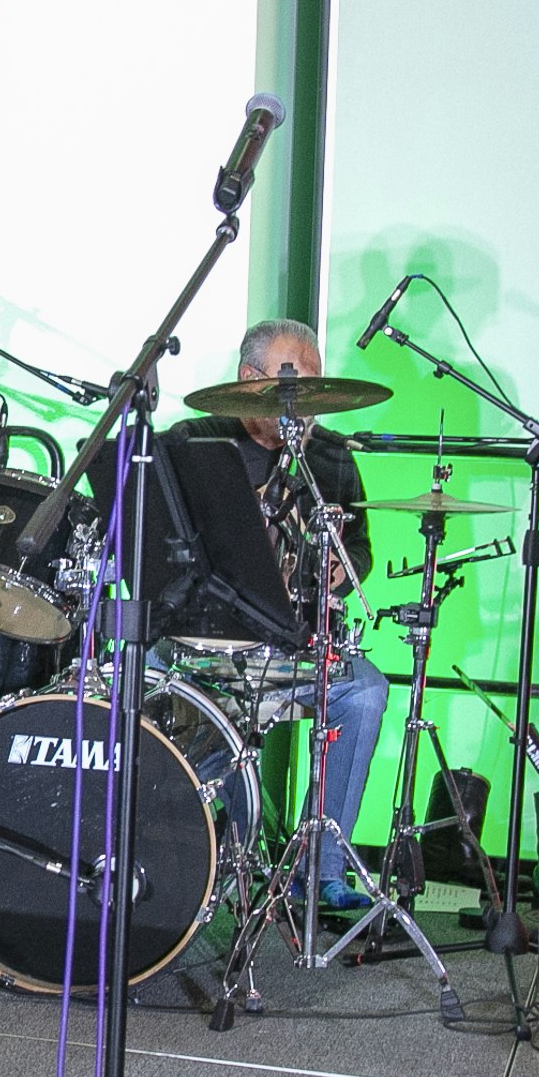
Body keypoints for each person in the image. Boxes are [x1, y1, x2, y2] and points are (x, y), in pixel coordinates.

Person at [171, 318, 389, 912]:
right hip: (205, 646)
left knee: (365, 690)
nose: (308, 407)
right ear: (249, 379)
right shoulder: (195, 441)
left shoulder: (331, 457)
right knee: (208, 729)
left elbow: (361, 545)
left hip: (292, 644)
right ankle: (211, 851)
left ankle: (319, 871)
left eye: (317, 391)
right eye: (295, 389)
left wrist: (348, 568)